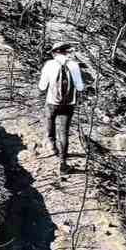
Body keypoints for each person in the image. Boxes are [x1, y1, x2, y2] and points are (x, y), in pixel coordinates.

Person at [37, 41, 85, 173]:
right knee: (64, 132)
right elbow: (80, 87)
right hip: (68, 104)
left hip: (52, 102)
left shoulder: (49, 64)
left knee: (49, 119)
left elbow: (42, 86)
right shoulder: (74, 65)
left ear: (54, 53)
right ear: (66, 52)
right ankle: (63, 163)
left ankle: (52, 145)